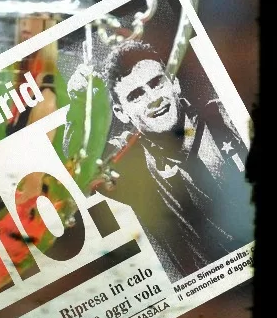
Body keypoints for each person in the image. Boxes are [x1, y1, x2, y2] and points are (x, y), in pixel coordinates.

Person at [103, 39, 252, 283]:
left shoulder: (224, 116)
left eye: (156, 83)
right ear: (121, 113)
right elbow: (81, 172)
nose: (153, 99)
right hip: (219, 293)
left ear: (174, 83)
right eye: (137, 95)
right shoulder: (131, 166)